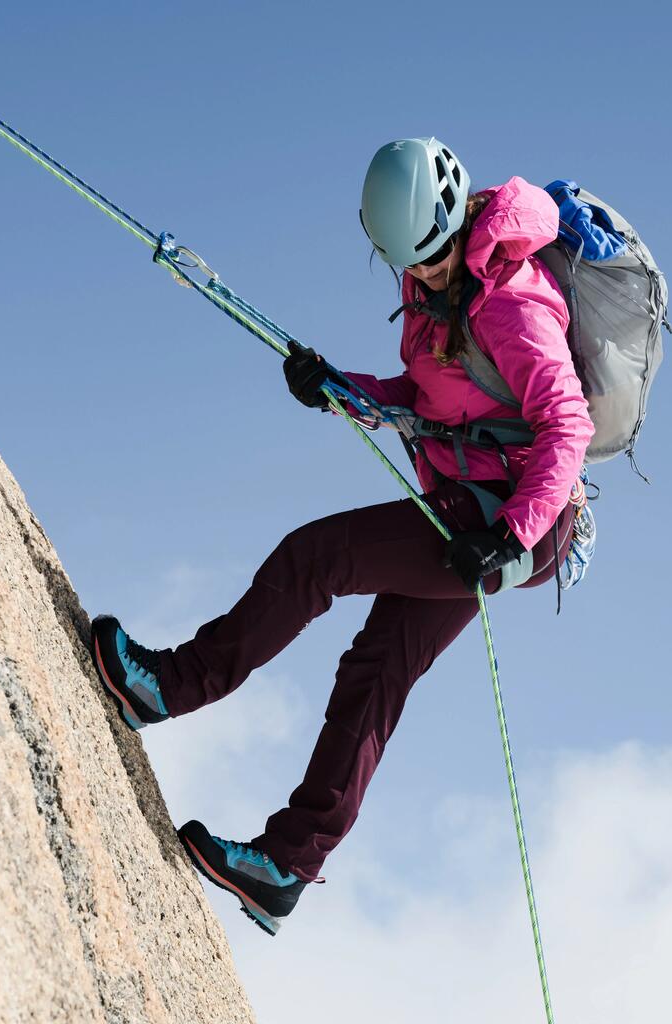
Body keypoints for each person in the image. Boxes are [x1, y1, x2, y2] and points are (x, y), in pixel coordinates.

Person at [90, 137, 594, 936]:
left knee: (315, 558)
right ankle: (286, 868)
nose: (423, 275)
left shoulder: (512, 300)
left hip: (511, 520)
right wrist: (341, 389)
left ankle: (166, 687)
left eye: (433, 259)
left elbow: (568, 424)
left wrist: (507, 537)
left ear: (457, 219)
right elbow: (425, 393)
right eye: (409, 264)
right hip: (479, 507)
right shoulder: (435, 279)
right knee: (377, 669)